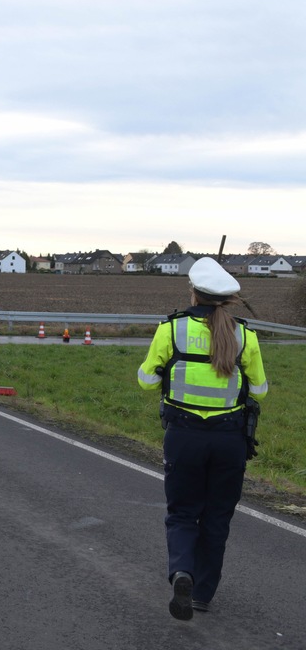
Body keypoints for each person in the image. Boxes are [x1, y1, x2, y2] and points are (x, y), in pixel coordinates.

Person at [137, 257, 269, 621]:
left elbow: (147, 382)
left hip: (183, 435)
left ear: (193, 292)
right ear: (225, 300)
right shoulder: (245, 335)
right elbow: (260, 389)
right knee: (217, 517)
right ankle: (203, 594)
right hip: (229, 440)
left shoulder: (171, 330)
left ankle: (182, 572)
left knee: (182, 513)